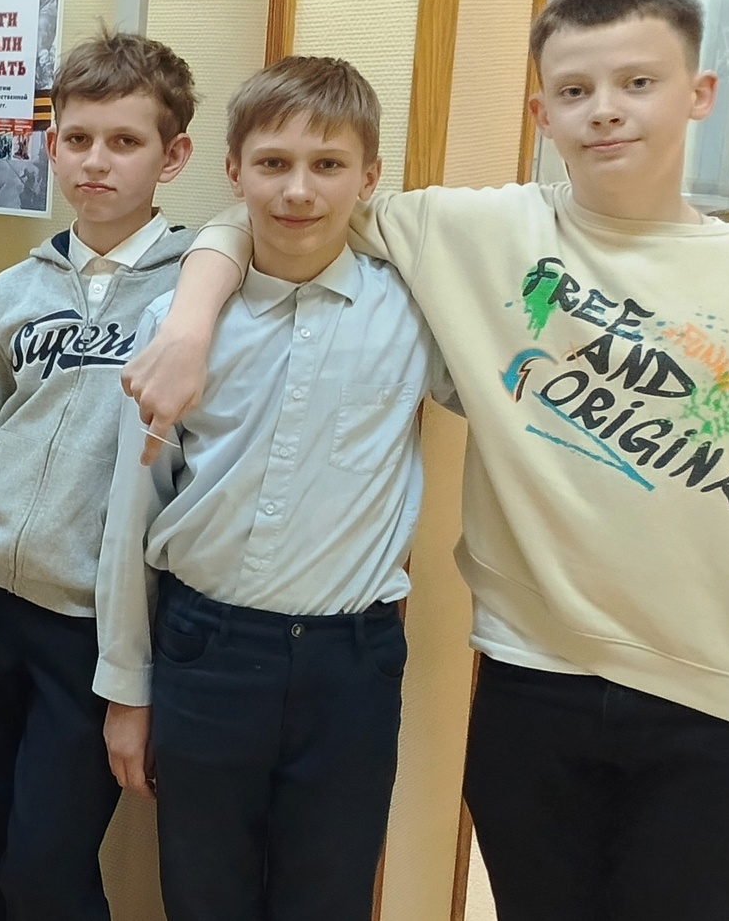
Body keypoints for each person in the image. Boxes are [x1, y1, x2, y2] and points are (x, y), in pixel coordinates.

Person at [125, 0, 729, 919]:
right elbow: (268, 207)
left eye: (639, 82)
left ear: (701, 93)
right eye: (575, 90)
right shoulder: (476, 231)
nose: (606, 110)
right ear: (541, 112)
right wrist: (191, 317)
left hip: (726, 698)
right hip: (534, 677)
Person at [94, 57, 447, 919]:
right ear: (233, 171)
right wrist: (127, 691)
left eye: (328, 165)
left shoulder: (413, 314)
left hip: (351, 664)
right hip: (207, 649)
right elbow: (132, 512)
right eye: (272, 163)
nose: (297, 190)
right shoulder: (179, 328)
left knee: (328, 897)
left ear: (369, 177)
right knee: (202, 893)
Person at [0, 31, 198, 921]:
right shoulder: (14, 291)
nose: (96, 161)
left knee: (45, 871)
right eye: (79, 138)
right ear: (52, 145)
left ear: (173, 155)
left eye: (125, 141)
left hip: (91, 621)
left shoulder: (197, 293)